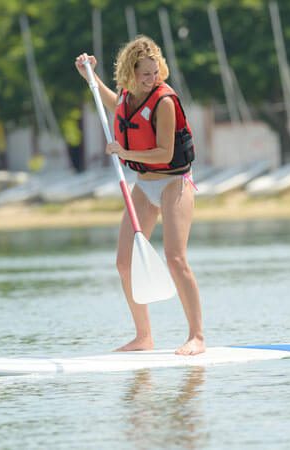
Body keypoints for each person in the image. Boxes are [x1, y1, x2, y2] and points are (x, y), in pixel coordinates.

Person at [75, 36, 204, 355]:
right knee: (124, 263)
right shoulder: (127, 95)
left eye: (155, 71)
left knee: (175, 259)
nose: (152, 78)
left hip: (174, 183)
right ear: (131, 75)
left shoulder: (164, 101)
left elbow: (165, 151)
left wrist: (124, 151)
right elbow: (112, 104)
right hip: (144, 186)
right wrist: (90, 77)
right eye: (145, 74)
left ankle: (197, 336)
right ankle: (144, 337)